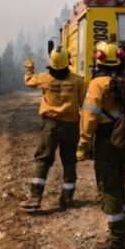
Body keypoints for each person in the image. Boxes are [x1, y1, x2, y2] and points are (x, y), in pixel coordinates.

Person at [77, 41, 125, 249]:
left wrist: (83, 144)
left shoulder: (98, 84)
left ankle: (118, 239)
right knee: (120, 183)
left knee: (108, 187)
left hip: (106, 140)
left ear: (99, 59)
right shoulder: (124, 81)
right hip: (123, 138)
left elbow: (89, 116)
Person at [20, 49, 86, 212]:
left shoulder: (45, 78)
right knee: (70, 161)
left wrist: (29, 67)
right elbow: (84, 104)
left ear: (52, 64)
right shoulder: (78, 81)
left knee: (43, 160)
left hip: (51, 126)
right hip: (72, 126)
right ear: (67, 62)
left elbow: (28, 81)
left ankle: (35, 197)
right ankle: (67, 198)